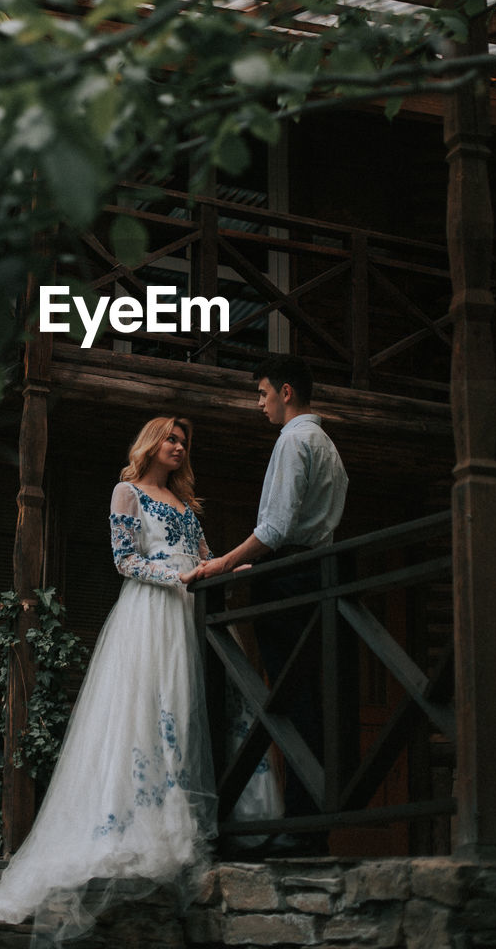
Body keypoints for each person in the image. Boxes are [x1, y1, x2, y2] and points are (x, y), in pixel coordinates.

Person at [0, 416, 219, 945]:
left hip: (186, 615)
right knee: (142, 711)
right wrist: (178, 576)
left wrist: (232, 565)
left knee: (177, 708)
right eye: (171, 439)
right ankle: (128, 824)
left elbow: (205, 559)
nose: (178, 447)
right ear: (151, 443)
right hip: (150, 612)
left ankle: (176, 824)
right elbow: (125, 561)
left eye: (184, 442)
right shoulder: (126, 492)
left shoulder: (186, 506)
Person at [190, 353, 348, 857]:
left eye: (261, 394)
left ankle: (301, 827)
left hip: (291, 578)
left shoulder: (294, 440)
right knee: (311, 697)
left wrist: (224, 563)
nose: (258, 404)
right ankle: (312, 822)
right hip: (315, 572)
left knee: (290, 698)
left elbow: (276, 528)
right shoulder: (328, 445)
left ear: (285, 391)